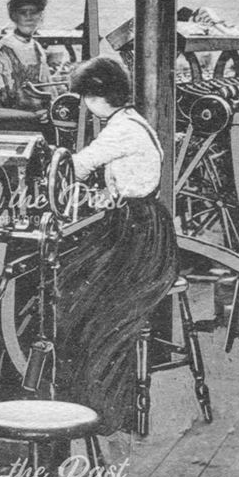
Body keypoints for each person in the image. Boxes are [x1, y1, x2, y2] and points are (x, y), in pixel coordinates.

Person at [53, 56, 178, 435]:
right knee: (77, 282)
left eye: (86, 96)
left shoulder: (119, 130)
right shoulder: (133, 121)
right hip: (144, 226)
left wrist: (38, 162)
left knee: (80, 298)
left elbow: (76, 166)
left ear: (96, 97)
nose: (85, 105)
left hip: (138, 236)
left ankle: (97, 407)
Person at [0, 0, 53, 131]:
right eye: (23, 12)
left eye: (34, 12)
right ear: (13, 16)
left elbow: (47, 92)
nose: (29, 17)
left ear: (41, 16)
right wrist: (32, 116)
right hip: (5, 129)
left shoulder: (38, 49)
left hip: (37, 126)